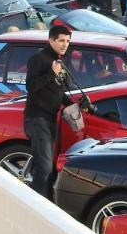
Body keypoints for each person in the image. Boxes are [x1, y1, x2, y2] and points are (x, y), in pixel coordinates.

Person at [23, 25, 82, 200]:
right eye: (61, 40)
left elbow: (57, 92)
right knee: (45, 166)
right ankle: (36, 203)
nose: (65, 44)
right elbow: (31, 87)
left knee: (46, 166)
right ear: (51, 40)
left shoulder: (59, 61)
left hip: (50, 119)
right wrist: (51, 72)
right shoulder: (39, 59)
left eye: (68, 41)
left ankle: (43, 200)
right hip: (36, 118)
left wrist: (75, 104)